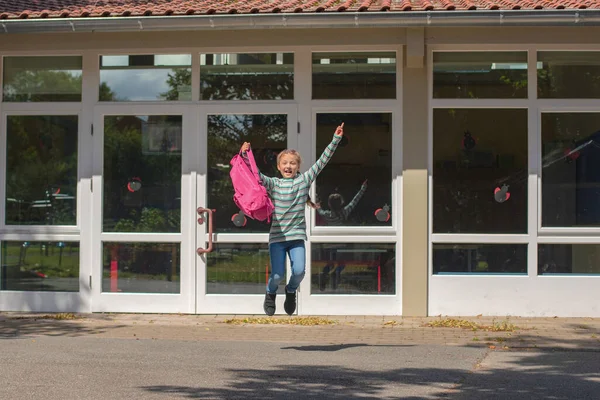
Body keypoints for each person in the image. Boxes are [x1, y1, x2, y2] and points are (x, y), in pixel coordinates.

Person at [240, 123, 345, 316]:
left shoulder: (304, 180)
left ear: (298, 166)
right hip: (278, 239)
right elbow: (254, 175)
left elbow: (323, 161)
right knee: (277, 275)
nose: (289, 166)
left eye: (293, 163)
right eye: (285, 163)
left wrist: (335, 139)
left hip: (296, 237)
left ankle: (290, 291)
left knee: (299, 272)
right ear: (279, 167)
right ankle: (270, 293)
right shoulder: (273, 183)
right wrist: (246, 156)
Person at [314, 180, 368, 291]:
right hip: (340, 245)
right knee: (342, 264)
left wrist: (315, 197)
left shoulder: (327, 215)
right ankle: (335, 274)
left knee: (330, 263)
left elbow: (318, 209)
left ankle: (324, 275)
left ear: (329, 204)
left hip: (329, 245)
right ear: (341, 203)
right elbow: (355, 201)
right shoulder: (344, 212)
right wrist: (362, 188)